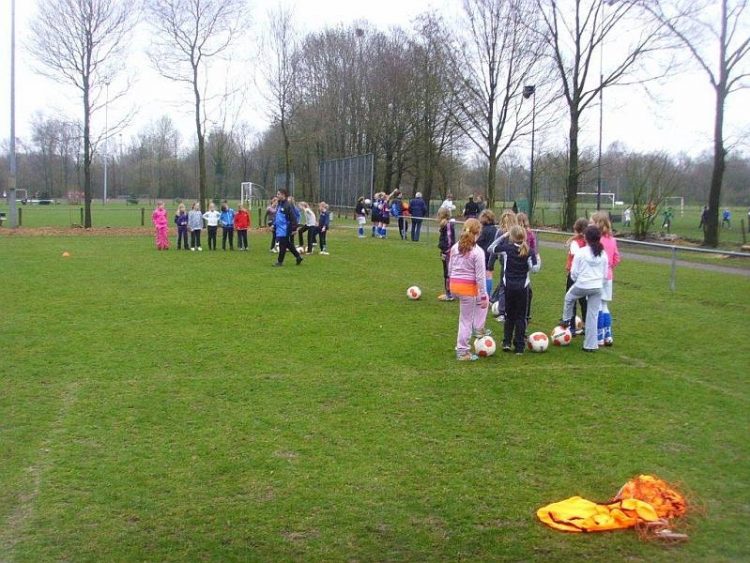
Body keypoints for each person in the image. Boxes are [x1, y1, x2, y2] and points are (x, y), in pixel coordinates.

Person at [493, 225, 540, 354]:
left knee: (509, 316)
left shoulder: (507, 248)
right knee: (521, 317)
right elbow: (535, 269)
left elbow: (491, 248)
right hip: (523, 288)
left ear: (511, 237)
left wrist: (503, 236)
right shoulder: (529, 251)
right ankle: (519, 346)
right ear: (524, 237)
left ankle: (507, 342)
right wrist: (537, 257)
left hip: (509, 287)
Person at [560, 225, 608, 352]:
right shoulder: (603, 253)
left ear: (586, 238)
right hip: (597, 287)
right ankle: (590, 345)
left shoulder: (581, 252)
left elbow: (573, 273)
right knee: (592, 316)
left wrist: (578, 281)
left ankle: (565, 320)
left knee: (569, 298)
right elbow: (605, 273)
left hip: (583, 284)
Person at [448, 218, 489, 361]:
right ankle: (463, 351)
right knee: (466, 320)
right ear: (478, 233)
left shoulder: (455, 247)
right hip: (467, 288)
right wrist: (483, 296)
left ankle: (476, 331)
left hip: (454, 285)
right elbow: (480, 277)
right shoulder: (478, 252)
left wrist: (450, 284)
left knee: (466, 315)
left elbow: (450, 267)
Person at [591, 211, 621, 346]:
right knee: (604, 305)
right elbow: (616, 258)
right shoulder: (612, 240)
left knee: (597, 306)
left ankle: (599, 337)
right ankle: (608, 335)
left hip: (597, 276)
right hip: (608, 276)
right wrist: (609, 267)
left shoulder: (597, 241)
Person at [487, 210, 519, 322]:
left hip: (506, 264)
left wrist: (490, 265)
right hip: (517, 264)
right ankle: (506, 308)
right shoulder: (516, 231)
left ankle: (502, 311)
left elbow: (493, 248)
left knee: (503, 287)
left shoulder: (502, 232)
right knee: (509, 286)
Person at [564, 218, 590, 336]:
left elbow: (575, 256)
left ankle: (572, 327)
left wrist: (572, 240)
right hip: (586, 275)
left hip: (574, 275)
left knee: (571, 300)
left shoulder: (575, 243)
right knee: (584, 301)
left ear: (576, 229)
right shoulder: (589, 241)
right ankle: (586, 325)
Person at [516, 212, 539, 321]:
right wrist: (535, 257)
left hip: (517, 260)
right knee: (525, 290)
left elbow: (533, 246)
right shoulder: (528, 233)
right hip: (525, 261)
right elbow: (533, 248)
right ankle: (525, 314)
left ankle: (521, 313)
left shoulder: (516, 232)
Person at [272, 189, 303, 266]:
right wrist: (274, 225)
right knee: (287, 244)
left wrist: (294, 229)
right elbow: (278, 216)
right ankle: (298, 257)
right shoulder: (279, 204)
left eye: (278, 194)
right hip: (280, 228)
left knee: (282, 245)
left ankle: (280, 262)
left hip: (285, 229)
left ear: (283, 195)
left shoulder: (287, 205)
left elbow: (293, 218)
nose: (277, 195)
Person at [476, 209, 498, 296]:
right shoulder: (495, 229)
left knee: (482, 275)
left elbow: (479, 242)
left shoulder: (483, 230)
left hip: (483, 254)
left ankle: (483, 294)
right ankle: (487, 294)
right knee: (489, 274)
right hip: (492, 254)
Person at [437, 206, 456, 301]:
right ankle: (450, 292)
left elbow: (449, 240)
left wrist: (446, 251)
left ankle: (450, 294)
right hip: (445, 252)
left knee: (448, 272)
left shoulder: (448, 225)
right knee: (447, 272)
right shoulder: (444, 225)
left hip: (448, 252)